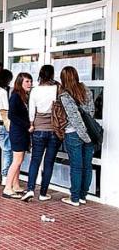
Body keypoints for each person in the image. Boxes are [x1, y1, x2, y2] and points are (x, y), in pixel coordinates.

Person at [21, 65, 61, 202]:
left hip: (38, 129)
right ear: (52, 74)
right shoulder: (57, 89)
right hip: (54, 130)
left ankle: (31, 189)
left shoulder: (35, 90)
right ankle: (43, 193)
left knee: (35, 160)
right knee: (49, 162)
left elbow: (32, 111)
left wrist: (32, 124)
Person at [59, 66, 95, 207]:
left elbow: (74, 117)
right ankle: (82, 196)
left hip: (74, 133)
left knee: (76, 167)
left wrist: (83, 134)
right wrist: (88, 133)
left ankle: (74, 198)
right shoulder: (86, 90)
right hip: (89, 133)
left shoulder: (65, 95)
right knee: (87, 166)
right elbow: (91, 111)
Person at [2, 73, 32, 199]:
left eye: (30, 81)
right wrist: (27, 125)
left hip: (22, 132)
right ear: (20, 82)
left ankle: (15, 185)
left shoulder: (23, 96)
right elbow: (12, 116)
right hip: (18, 132)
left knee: (19, 160)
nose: (29, 84)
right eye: (26, 81)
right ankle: (7, 187)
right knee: (17, 160)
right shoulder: (15, 96)